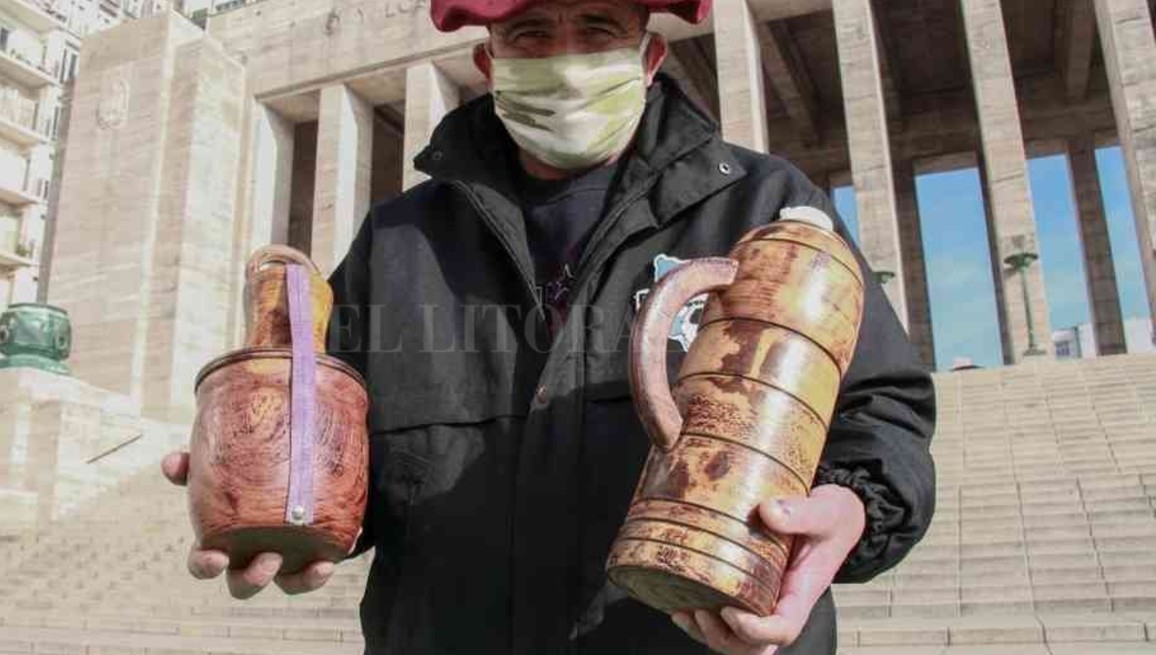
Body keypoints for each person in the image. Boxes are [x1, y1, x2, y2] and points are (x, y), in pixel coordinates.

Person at [161, 0, 937, 652]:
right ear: (490, 61)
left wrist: (854, 501)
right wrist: (281, 507)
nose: (564, 61)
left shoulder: (765, 207)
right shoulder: (398, 240)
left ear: (649, 55)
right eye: (531, 33)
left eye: (597, 27)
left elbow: (882, 408)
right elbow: (326, 441)